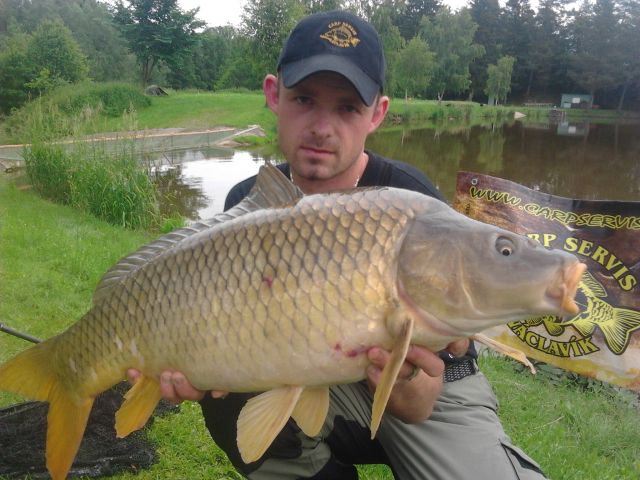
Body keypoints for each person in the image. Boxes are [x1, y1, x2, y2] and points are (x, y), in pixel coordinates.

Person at [129, 10, 546, 480]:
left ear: (378, 114)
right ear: (273, 94)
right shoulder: (249, 203)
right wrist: (197, 364)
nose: (322, 127)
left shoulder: (413, 205)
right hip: (313, 371)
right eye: (305, 99)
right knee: (232, 392)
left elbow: (424, 399)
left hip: (429, 391)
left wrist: (403, 379)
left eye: (347, 107)